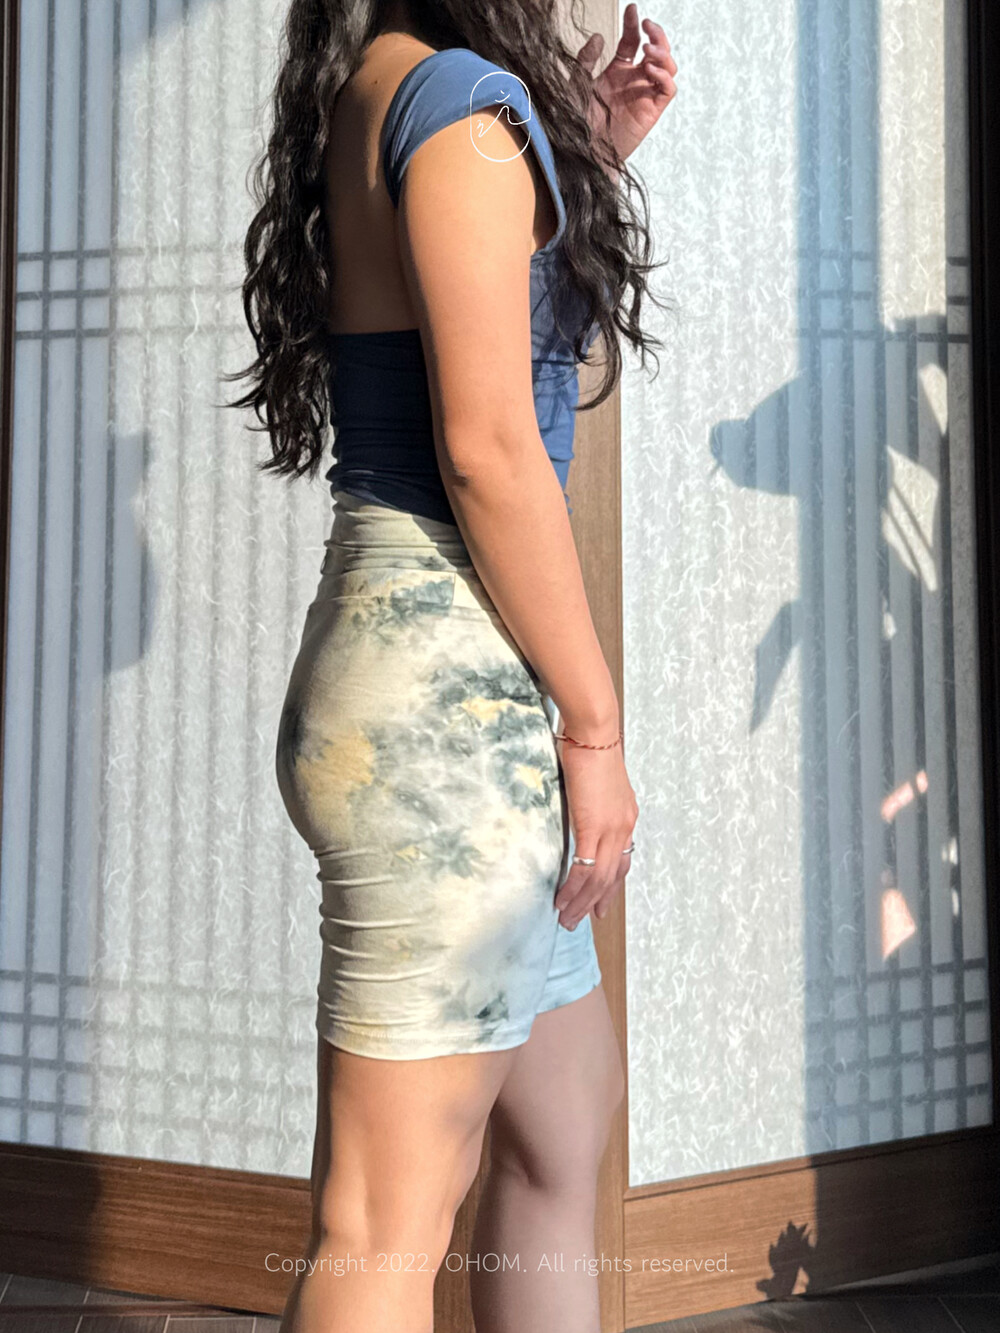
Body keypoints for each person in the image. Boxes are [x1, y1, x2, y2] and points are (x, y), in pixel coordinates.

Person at [226, 2, 676, 1329]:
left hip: (420, 678)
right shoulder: (463, 105)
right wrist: (594, 728)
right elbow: (486, 447)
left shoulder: (395, 85)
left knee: (561, 1118)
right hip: (449, 720)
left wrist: (584, 154)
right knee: (384, 1223)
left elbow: (480, 320)